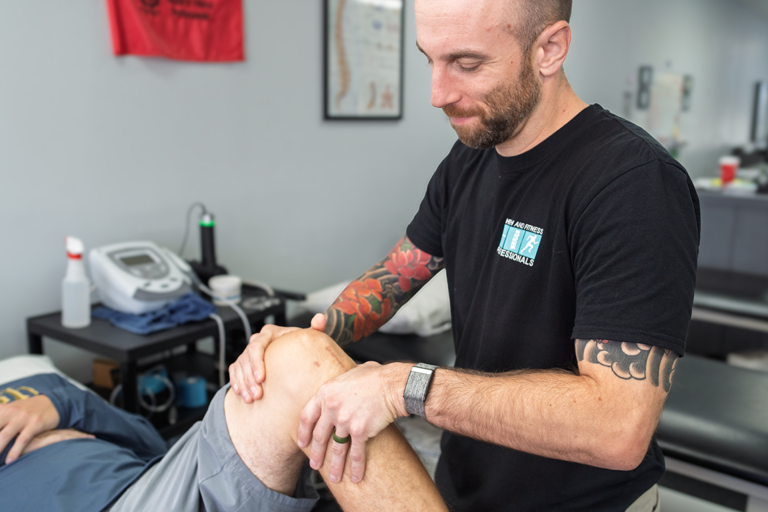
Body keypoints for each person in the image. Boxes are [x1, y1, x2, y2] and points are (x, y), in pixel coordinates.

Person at [230, 0, 701, 510]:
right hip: (465, 487)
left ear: (550, 49)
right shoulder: (468, 161)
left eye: (467, 64)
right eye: (429, 59)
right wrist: (305, 345)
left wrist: (401, 386)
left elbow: (618, 430)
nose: (437, 94)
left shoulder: (633, 183)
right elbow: (397, 274)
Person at [0, 329, 447, 512]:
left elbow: (149, 440)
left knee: (301, 360)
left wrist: (63, 404)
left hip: (153, 484)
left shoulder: (42, 386)